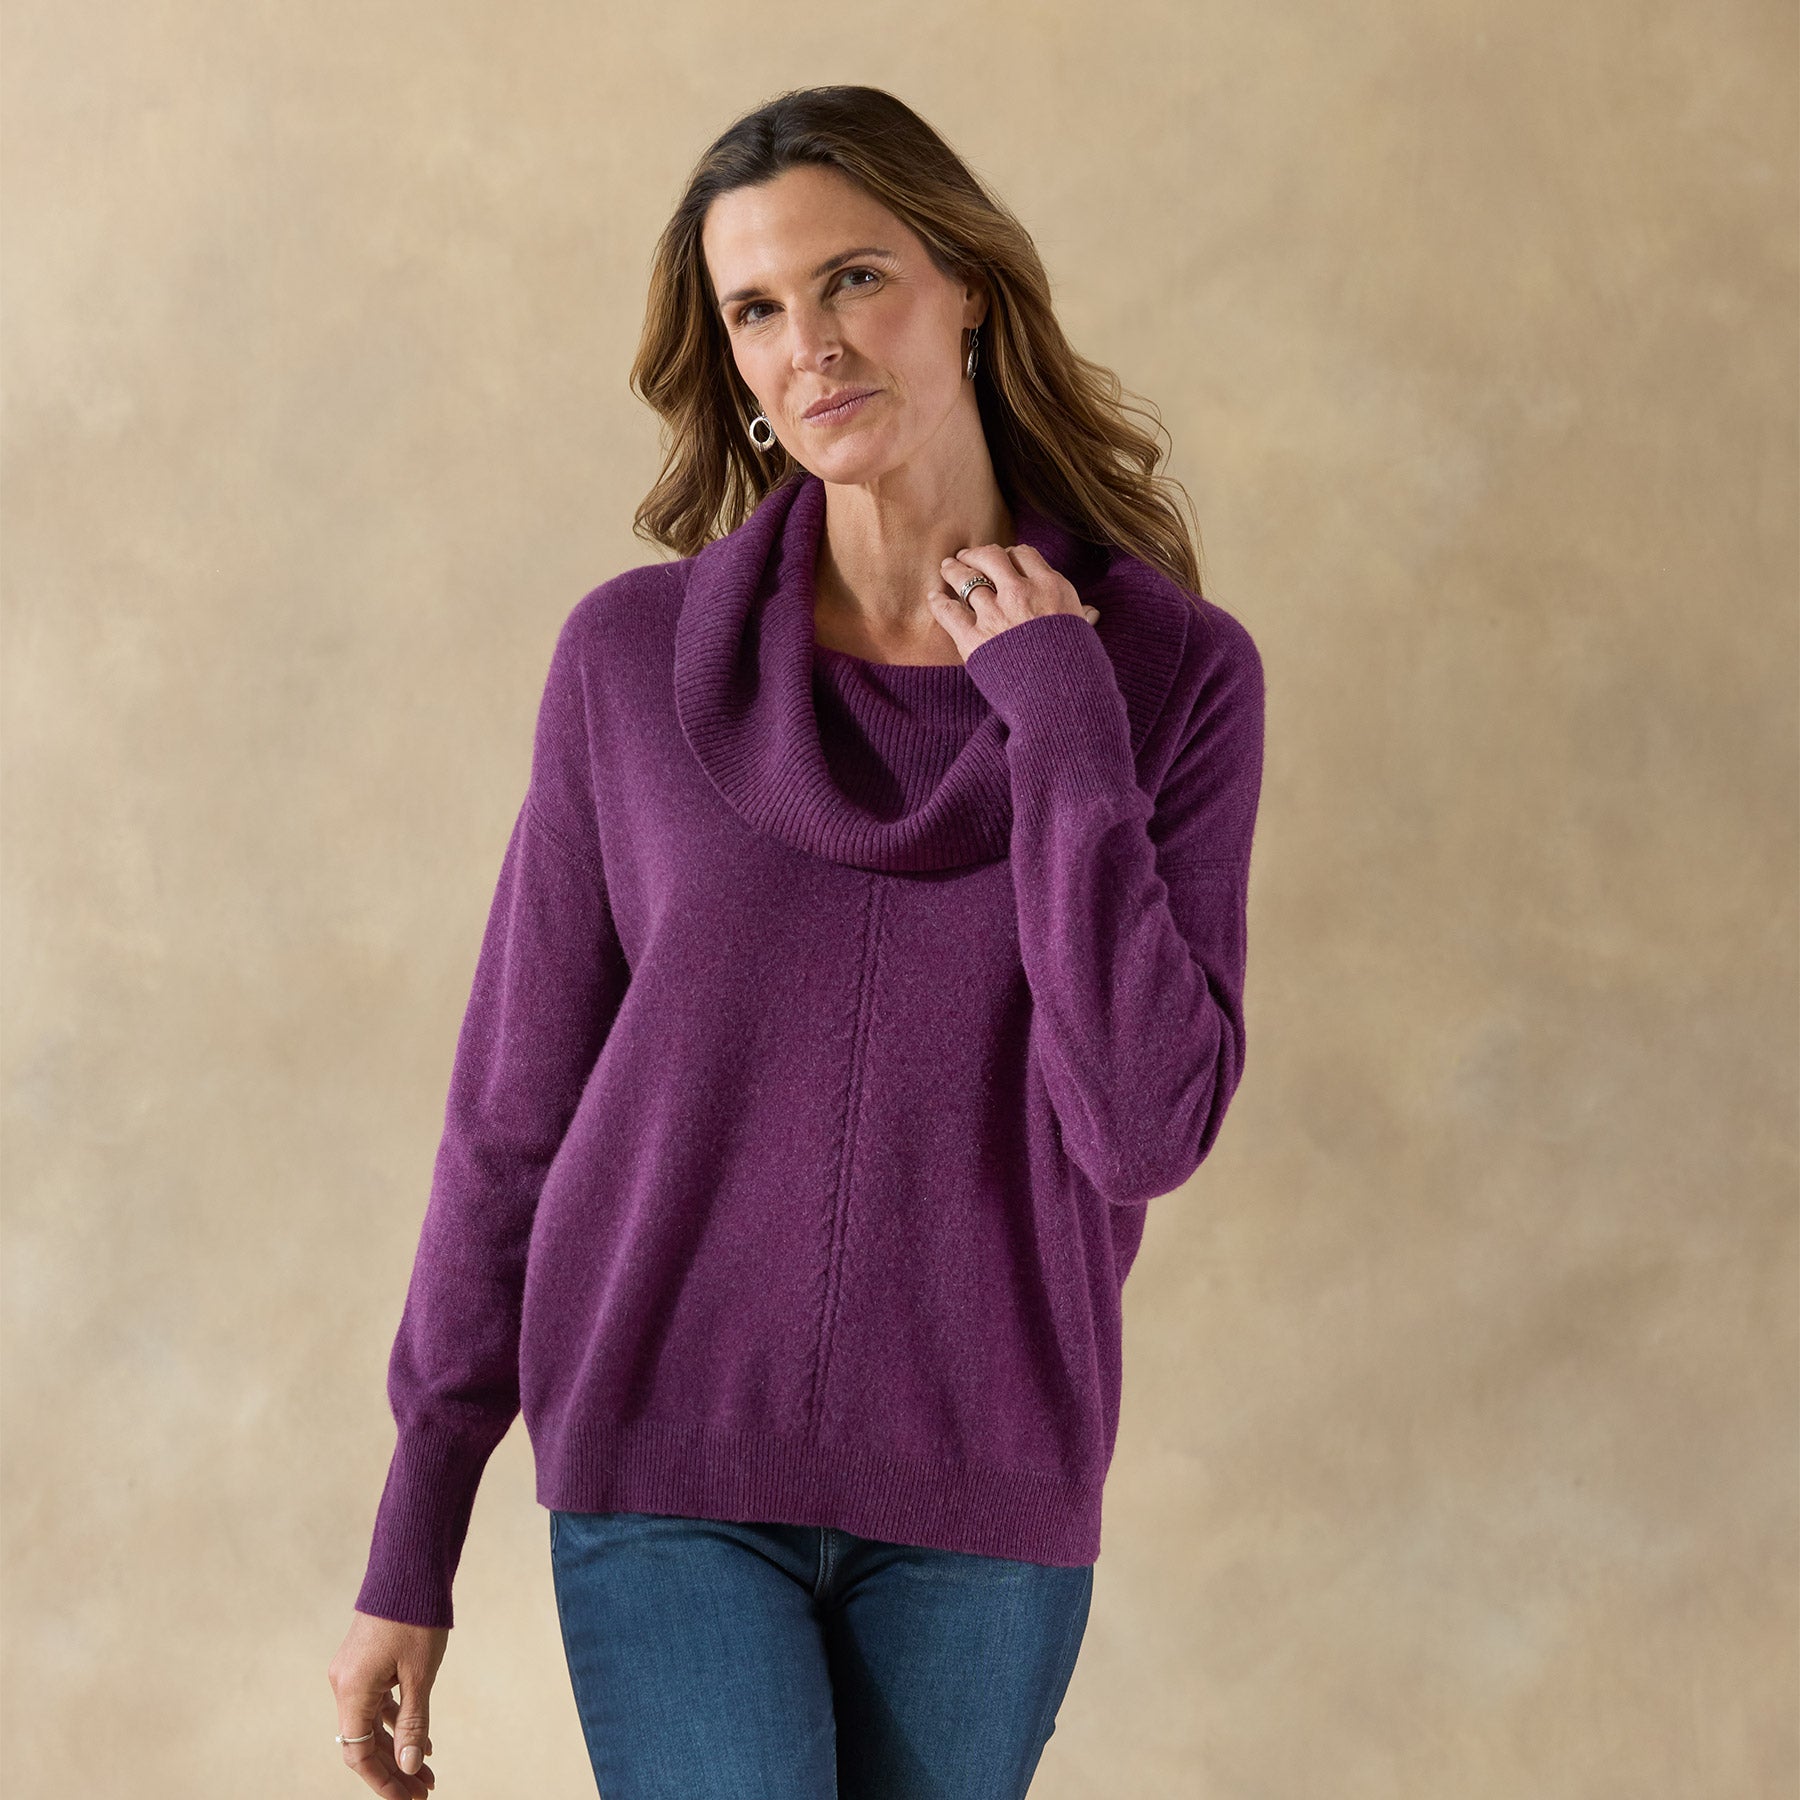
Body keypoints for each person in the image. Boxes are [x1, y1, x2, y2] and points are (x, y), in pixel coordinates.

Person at [328, 83, 1265, 1800]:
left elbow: (1146, 1128)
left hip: (985, 1486)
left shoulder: (1171, 675)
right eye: (756, 309)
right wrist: (416, 1528)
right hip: (662, 1465)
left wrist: (1063, 719)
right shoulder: (629, 662)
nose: (809, 345)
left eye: (854, 280)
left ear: (967, 288)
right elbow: (512, 1115)